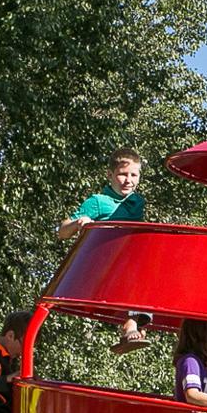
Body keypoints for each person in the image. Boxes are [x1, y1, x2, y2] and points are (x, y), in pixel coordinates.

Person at [57, 148, 153, 353]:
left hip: (126, 261)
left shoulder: (137, 202)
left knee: (151, 267)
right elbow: (62, 232)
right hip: (103, 261)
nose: (128, 180)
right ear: (110, 175)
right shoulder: (98, 202)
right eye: (122, 174)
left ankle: (136, 323)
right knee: (135, 267)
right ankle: (130, 323)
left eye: (133, 175)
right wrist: (78, 223)